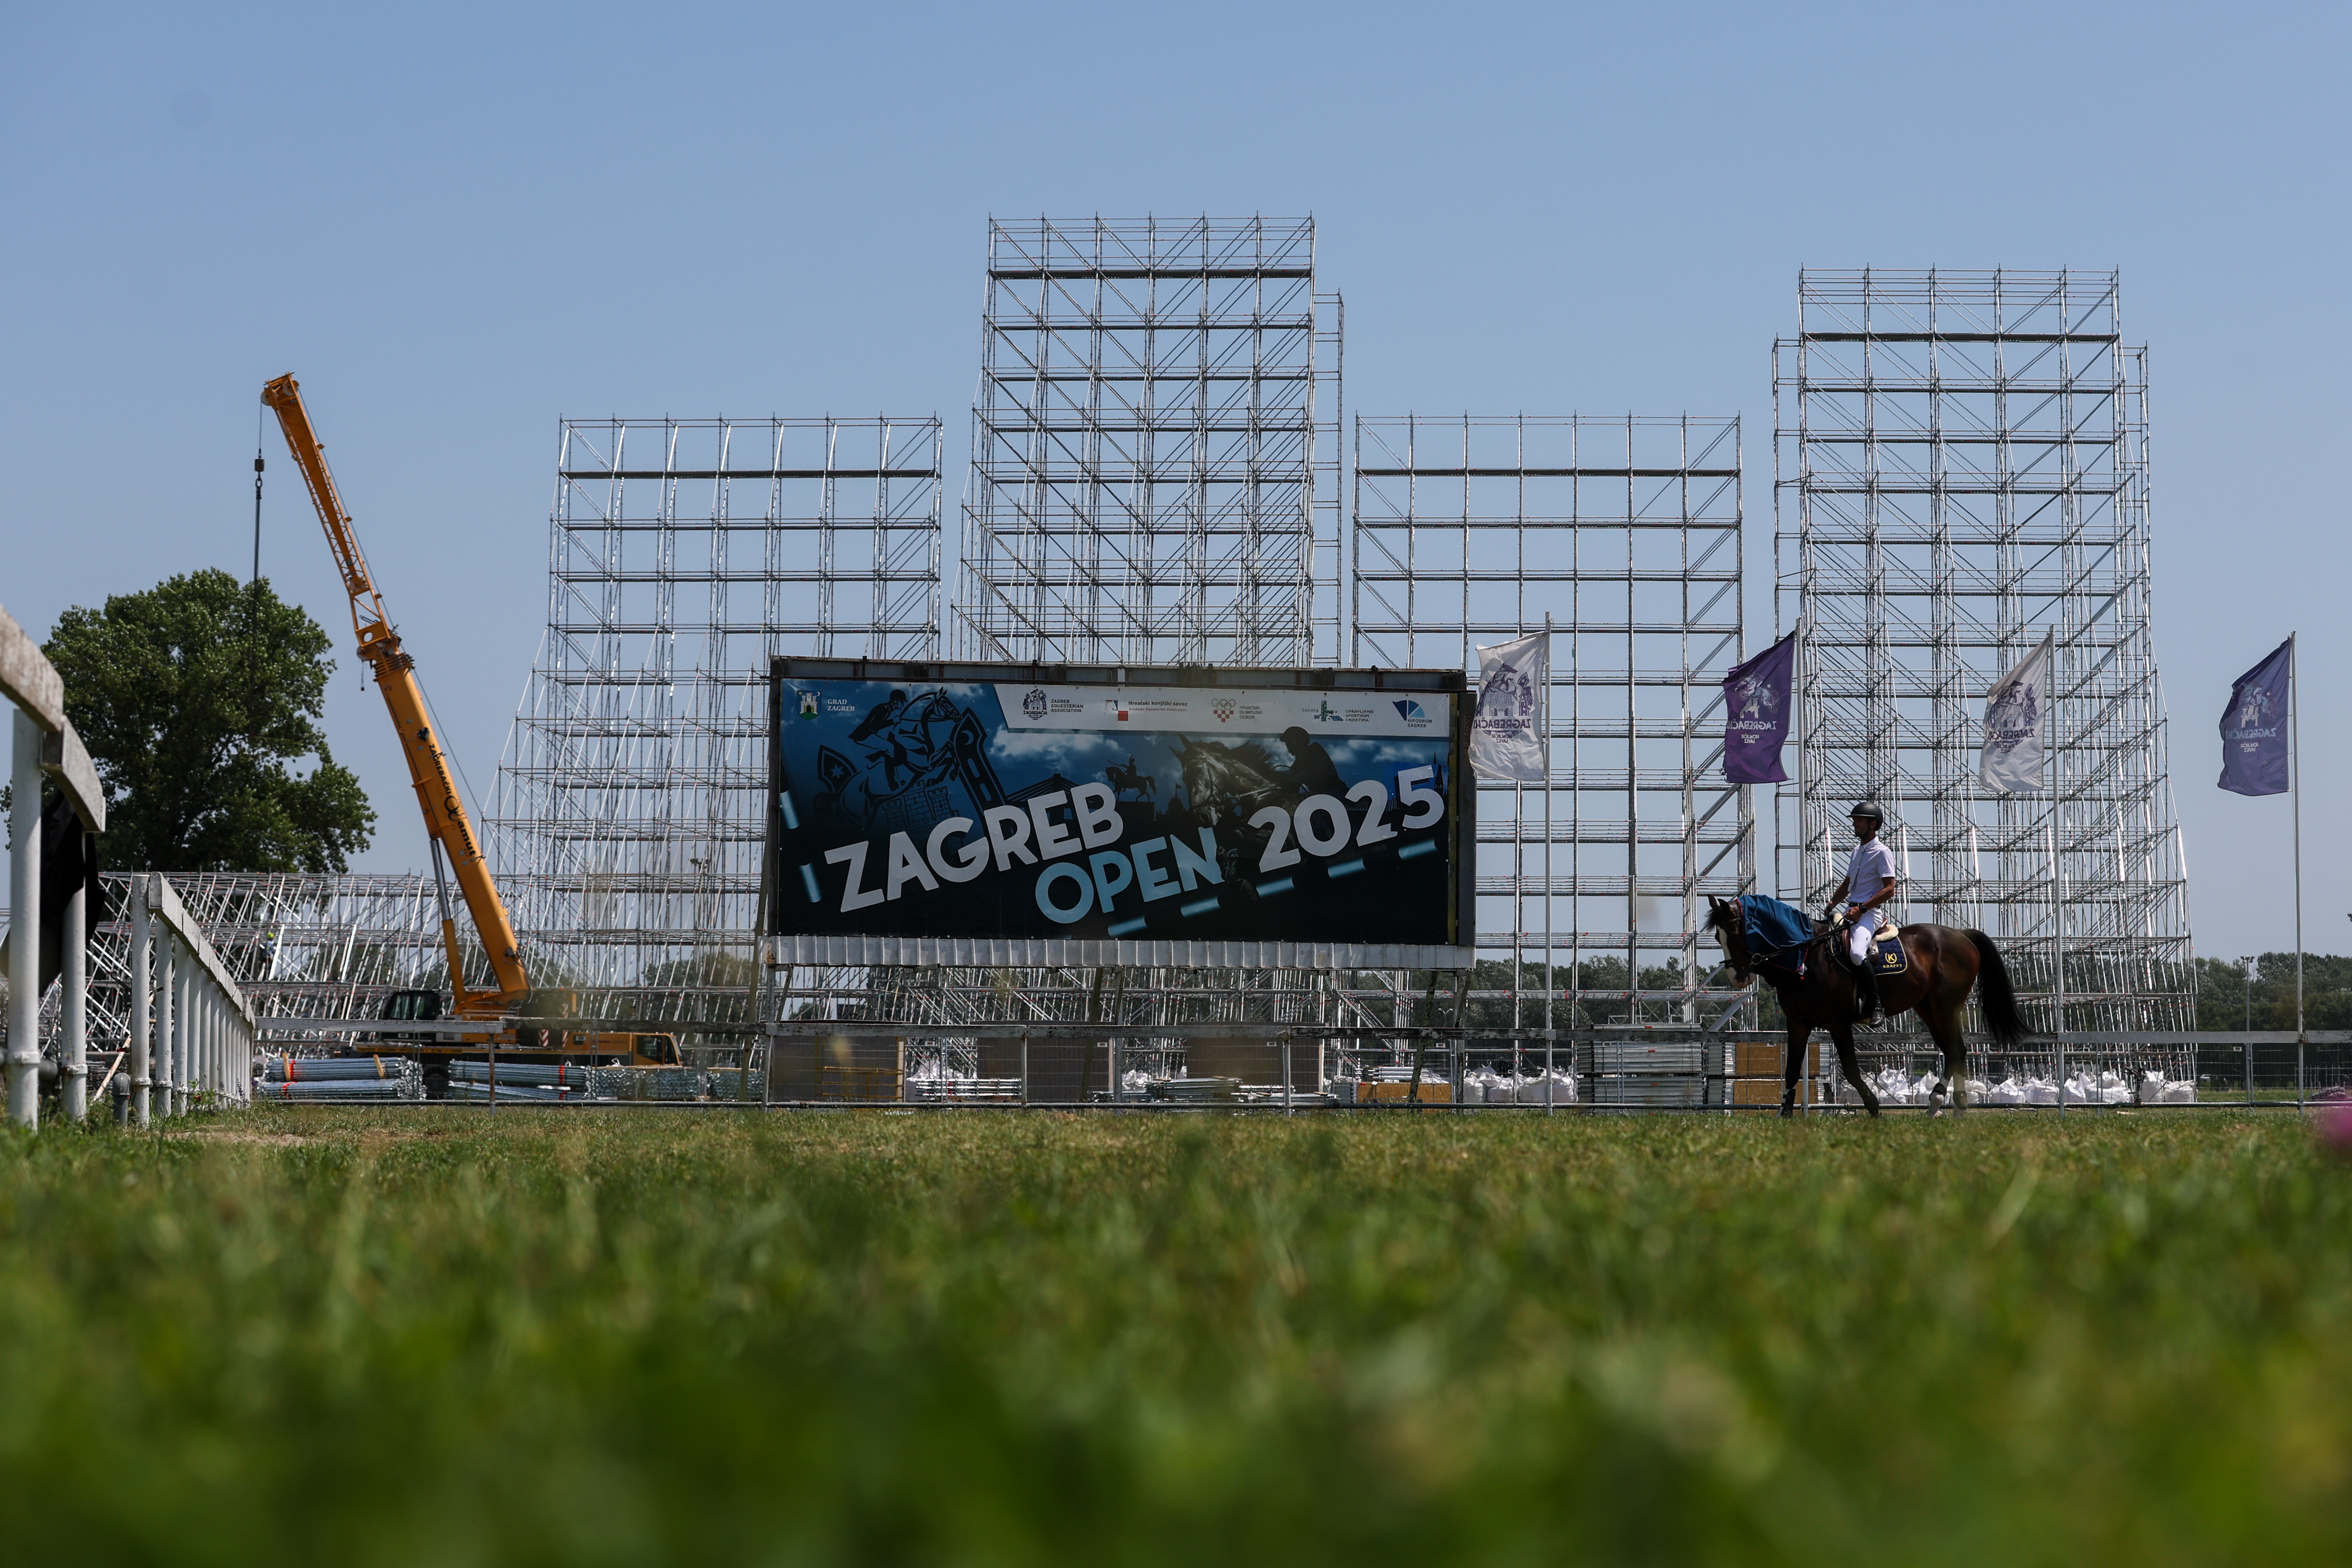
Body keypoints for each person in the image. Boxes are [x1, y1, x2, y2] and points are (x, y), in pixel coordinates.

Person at [1823, 800, 1899, 1025]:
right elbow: (1847, 884)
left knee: (1857, 953)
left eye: (1859, 820)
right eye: (1855, 820)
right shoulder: (1857, 850)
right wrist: (1832, 902)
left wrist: (1863, 908)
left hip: (1869, 913)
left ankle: (1876, 1006)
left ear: (1872, 824)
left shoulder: (1882, 853)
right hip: (1850, 910)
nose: (1854, 824)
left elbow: (1890, 889)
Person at [1270, 726, 1345, 800]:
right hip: (1322, 795)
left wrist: (1297, 778)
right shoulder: (1298, 762)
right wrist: (1276, 774)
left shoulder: (1314, 749)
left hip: (1336, 792)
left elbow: (1317, 769)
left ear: (1296, 741)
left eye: (1288, 742)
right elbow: (1291, 774)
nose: (1287, 745)